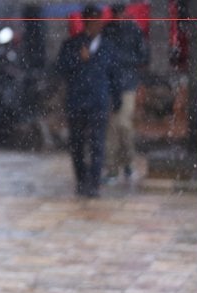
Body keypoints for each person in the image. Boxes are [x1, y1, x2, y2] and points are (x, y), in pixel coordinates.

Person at [55, 4, 121, 198]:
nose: (96, 24)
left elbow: (114, 75)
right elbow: (60, 68)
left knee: (97, 144)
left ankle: (93, 183)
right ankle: (81, 180)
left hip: (98, 101)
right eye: (91, 20)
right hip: (76, 101)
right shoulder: (72, 44)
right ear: (85, 21)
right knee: (76, 144)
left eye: (98, 20)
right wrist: (78, 58)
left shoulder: (108, 47)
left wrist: (116, 100)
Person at [102, 3, 149, 184]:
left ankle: (128, 162)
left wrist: (123, 61)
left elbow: (143, 56)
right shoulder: (107, 31)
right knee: (112, 128)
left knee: (124, 124)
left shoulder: (133, 30)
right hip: (109, 85)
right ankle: (113, 167)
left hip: (127, 84)